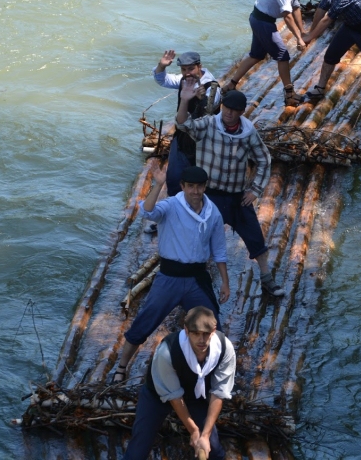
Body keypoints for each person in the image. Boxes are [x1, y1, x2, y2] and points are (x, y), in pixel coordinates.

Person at [112, 164, 229, 383]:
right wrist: (158, 184)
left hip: (196, 279)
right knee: (145, 320)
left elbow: (219, 250)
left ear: (205, 187)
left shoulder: (213, 213)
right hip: (168, 278)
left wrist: (225, 282)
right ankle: (121, 366)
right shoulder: (171, 205)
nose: (195, 191)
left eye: (199, 186)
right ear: (182, 186)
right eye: (190, 186)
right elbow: (147, 212)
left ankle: (213, 370)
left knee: (211, 324)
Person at [175, 85, 284, 297]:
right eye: (226, 108)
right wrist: (184, 100)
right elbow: (183, 124)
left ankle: (266, 279)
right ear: (222, 107)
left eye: (234, 110)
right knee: (197, 238)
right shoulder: (209, 124)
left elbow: (264, 160)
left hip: (236, 197)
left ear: (241, 112)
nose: (229, 113)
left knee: (255, 237)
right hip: (209, 196)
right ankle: (190, 279)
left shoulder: (248, 132)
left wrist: (255, 190)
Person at [123, 306, 235, 460]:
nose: (201, 340)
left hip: (195, 396)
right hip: (158, 396)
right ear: (186, 330)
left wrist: (205, 435)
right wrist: (194, 431)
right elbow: (175, 397)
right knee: (137, 451)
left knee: (214, 450)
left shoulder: (225, 349)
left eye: (206, 334)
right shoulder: (167, 352)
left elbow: (218, 393)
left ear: (214, 331)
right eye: (196, 333)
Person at [145, 51, 221, 234]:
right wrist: (162, 65)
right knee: (174, 180)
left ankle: (200, 222)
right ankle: (173, 219)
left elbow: (209, 113)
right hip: (182, 139)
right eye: (184, 70)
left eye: (191, 69)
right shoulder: (184, 81)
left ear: (199, 66)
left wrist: (200, 99)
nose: (187, 73)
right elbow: (162, 80)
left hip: (203, 145)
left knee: (200, 185)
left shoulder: (211, 88)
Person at [222, 0, 312, 107]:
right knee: (283, 56)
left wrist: (302, 31)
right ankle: (289, 95)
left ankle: (230, 85)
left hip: (261, 19)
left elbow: (296, 6)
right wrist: (298, 38)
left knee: (256, 55)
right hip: (262, 21)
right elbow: (287, 15)